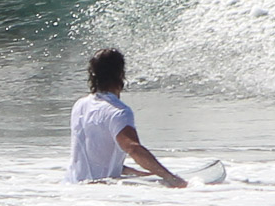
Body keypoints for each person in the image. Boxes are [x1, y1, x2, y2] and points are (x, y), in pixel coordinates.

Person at [65, 48, 187, 187]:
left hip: (72, 187)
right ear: (120, 74)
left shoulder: (80, 105)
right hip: (99, 192)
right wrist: (171, 178)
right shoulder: (119, 111)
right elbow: (133, 148)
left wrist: (147, 175)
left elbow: (97, 159)